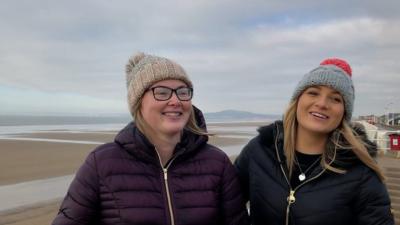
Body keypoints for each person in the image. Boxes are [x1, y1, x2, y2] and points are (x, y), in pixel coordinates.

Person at [52, 52, 249, 225]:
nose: (175, 101)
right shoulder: (101, 164)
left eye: (182, 92)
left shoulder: (217, 164)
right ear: (139, 103)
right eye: (162, 92)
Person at [234, 58, 394, 225]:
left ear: (344, 113)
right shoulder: (259, 150)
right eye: (313, 92)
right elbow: (228, 208)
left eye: (336, 99)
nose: (322, 103)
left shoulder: (360, 171)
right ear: (297, 100)